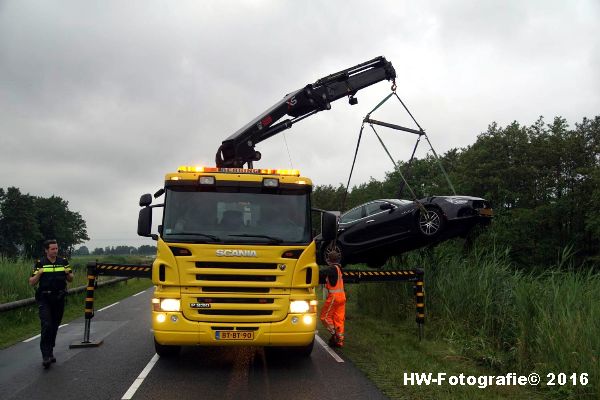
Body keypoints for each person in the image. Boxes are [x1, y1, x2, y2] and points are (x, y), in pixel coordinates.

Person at [29, 239, 73, 368]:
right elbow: (31, 282)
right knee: (47, 324)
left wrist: (68, 274)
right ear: (46, 250)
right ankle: (45, 355)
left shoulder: (63, 261)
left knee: (54, 326)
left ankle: (51, 351)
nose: (55, 251)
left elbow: (71, 278)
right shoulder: (40, 263)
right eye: (53, 249)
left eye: (56, 248)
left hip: (59, 298)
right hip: (45, 298)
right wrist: (39, 274)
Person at [319, 249, 346, 348]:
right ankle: (339, 341)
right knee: (338, 319)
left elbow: (321, 272)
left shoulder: (332, 269)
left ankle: (335, 334)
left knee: (324, 317)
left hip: (334, 297)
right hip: (342, 297)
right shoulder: (339, 268)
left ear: (328, 260)